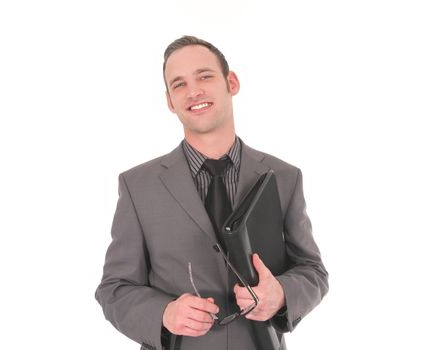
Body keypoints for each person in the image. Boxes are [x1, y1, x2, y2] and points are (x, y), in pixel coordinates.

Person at [95, 35, 328, 350]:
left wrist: (282, 294)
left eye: (204, 76)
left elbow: (312, 270)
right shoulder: (138, 186)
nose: (193, 91)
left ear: (231, 82)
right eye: (179, 84)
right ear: (169, 101)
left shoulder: (284, 176)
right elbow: (114, 289)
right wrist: (164, 313)